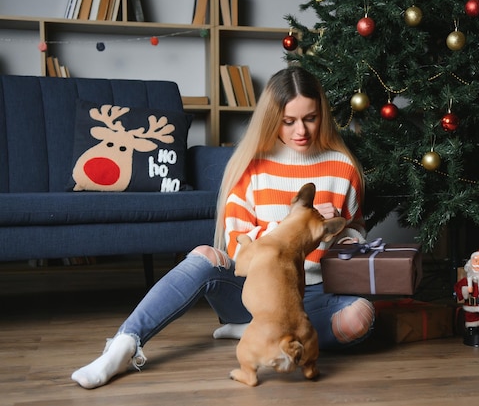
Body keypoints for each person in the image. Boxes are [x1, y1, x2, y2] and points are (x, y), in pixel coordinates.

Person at [71, 66, 375, 389]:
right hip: (252, 292)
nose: (300, 130)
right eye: (288, 121)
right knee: (204, 255)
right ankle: (123, 345)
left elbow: (356, 231)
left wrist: (342, 237)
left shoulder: (344, 169)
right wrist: (295, 226)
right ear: (273, 119)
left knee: (362, 318)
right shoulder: (252, 166)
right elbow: (235, 244)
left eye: (310, 118)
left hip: (309, 296)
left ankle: (260, 332)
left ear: (322, 115)